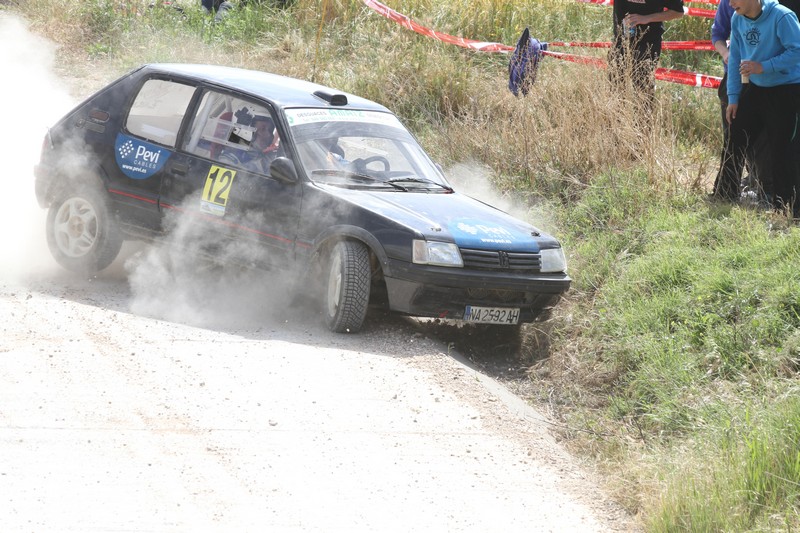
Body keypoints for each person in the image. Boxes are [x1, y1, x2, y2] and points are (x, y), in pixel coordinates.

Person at [714, 0, 800, 215]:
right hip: (755, 88)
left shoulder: (782, 16)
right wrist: (733, 98)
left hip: (787, 90)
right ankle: (724, 196)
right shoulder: (737, 17)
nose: (730, 3)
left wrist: (765, 66)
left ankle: (785, 209)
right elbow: (735, 60)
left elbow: (797, 51)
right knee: (735, 138)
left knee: (782, 150)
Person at [711, 0, 768, 201]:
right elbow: (717, 34)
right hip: (734, 78)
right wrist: (727, 54)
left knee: (764, 138)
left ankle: (761, 186)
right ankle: (727, 190)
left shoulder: (775, 10)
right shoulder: (728, 5)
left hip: (767, 80)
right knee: (732, 134)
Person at [608, 0, 685, 103]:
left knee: (643, 93)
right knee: (616, 90)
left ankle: (644, 118)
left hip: (648, 44)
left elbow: (678, 12)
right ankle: (618, 118)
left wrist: (647, 18)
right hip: (620, 41)